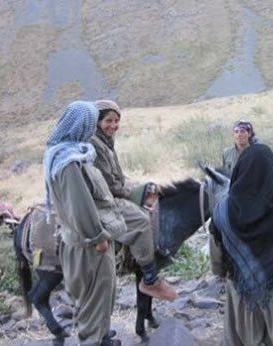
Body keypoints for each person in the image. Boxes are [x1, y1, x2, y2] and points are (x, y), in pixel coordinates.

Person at [210, 143, 273, 346]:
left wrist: (221, 273)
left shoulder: (223, 210)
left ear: (240, 171)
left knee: (239, 340)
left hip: (240, 293)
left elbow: (216, 253)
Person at [43, 101, 121, 345]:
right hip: (89, 246)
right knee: (94, 298)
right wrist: (97, 237)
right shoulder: (69, 162)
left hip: (81, 241)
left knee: (97, 295)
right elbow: (80, 205)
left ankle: (101, 336)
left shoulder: (66, 153)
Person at [90, 99, 177, 300]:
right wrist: (133, 194)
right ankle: (149, 278)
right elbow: (109, 184)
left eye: (116, 121)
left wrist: (138, 186)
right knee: (141, 221)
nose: (113, 126)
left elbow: (118, 176)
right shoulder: (95, 145)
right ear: (97, 122)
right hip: (103, 200)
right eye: (108, 121)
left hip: (111, 192)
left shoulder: (105, 142)